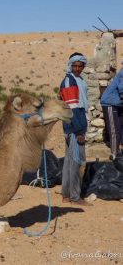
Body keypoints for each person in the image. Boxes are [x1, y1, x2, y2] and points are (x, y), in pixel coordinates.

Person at [59, 52, 92, 206]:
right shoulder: (69, 81)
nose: (78, 68)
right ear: (70, 66)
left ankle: (66, 195)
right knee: (77, 162)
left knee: (69, 161)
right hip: (74, 127)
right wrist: (79, 132)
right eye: (75, 66)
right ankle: (75, 196)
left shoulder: (79, 81)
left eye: (80, 66)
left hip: (75, 126)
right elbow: (73, 108)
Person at [100, 64, 123, 160]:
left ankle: (120, 149)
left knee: (121, 127)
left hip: (119, 104)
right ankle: (114, 154)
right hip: (109, 103)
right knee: (115, 130)